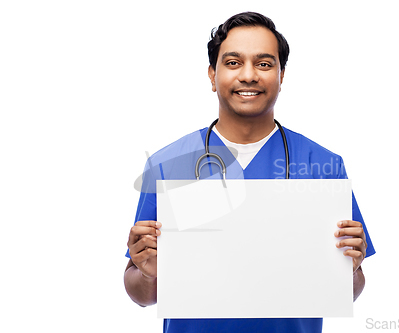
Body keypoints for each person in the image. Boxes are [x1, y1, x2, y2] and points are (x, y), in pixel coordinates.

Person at [125, 11, 375, 333]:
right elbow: (141, 295)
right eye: (233, 63)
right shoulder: (168, 165)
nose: (249, 75)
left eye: (264, 64)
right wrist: (148, 273)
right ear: (212, 76)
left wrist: (350, 270)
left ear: (281, 76)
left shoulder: (322, 166)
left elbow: (347, 291)